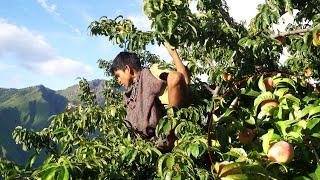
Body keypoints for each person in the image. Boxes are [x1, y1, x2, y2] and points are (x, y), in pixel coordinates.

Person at [110, 44, 190, 144]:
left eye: (118, 76)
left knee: (174, 77)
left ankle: (170, 135)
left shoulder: (152, 71)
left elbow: (180, 79)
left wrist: (173, 54)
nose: (118, 80)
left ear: (127, 69)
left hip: (170, 124)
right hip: (151, 139)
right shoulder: (130, 94)